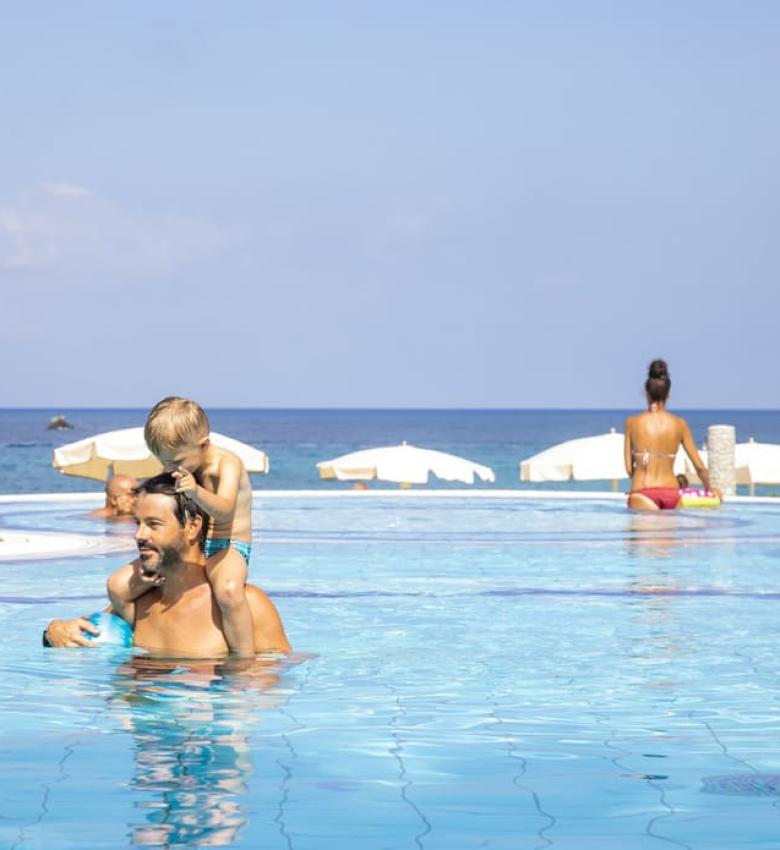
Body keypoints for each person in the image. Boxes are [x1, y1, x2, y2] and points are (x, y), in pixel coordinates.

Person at [45, 473, 290, 656]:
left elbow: (274, 682)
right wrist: (53, 631)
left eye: (153, 524)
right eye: (137, 523)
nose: (139, 535)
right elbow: (77, 631)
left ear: (192, 527)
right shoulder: (138, 600)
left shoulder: (248, 605)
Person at [107, 397, 256, 656]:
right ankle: (142, 645)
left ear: (204, 445)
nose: (168, 469)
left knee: (229, 592)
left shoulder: (227, 464)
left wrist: (195, 491)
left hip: (227, 546)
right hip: (192, 549)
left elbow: (225, 509)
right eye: (162, 461)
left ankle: (244, 659)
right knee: (118, 585)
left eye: (174, 462)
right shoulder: (185, 464)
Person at [624, 359, 719, 510]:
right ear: (668, 394)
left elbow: (629, 468)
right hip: (672, 494)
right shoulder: (680, 424)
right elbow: (699, 466)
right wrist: (710, 489)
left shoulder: (632, 423)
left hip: (642, 492)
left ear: (646, 392)